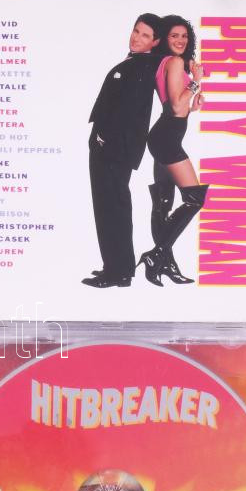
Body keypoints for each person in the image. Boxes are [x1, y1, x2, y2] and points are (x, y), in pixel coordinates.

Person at [83, 14, 161, 289]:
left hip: (113, 148)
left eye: (145, 35)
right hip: (113, 146)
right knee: (112, 206)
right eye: (136, 31)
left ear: (155, 42)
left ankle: (117, 272)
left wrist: (103, 138)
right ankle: (118, 268)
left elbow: (128, 111)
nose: (136, 38)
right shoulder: (137, 63)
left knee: (111, 207)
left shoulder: (142, 67)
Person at [140, 15, 209, 286]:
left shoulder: (166, 63)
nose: (180, 40)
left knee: (163, 202)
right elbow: (176, 106)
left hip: (164, 135)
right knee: (194, 199)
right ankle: (156, 254)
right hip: (167, 140)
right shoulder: (175, 62)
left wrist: (192, 108)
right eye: (174, 35)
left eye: (184, 36)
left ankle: (165, 264)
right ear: (165, 39)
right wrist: (196, 81)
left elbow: (178, 108)